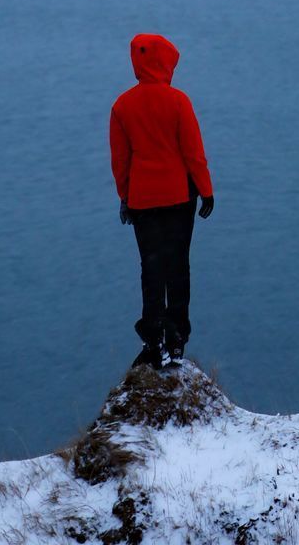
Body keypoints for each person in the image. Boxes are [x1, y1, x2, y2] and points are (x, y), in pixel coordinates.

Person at [109, 33, 214, 369]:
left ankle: (153, 340)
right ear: (165, 62)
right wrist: (207, 190)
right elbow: (193, 153)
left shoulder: (122, 106)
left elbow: (120, 160)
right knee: (177, 266)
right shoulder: (179, 101)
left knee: (151, 268)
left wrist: (125, 196)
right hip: (180, 196)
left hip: (142, 199)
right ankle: (176, 339)